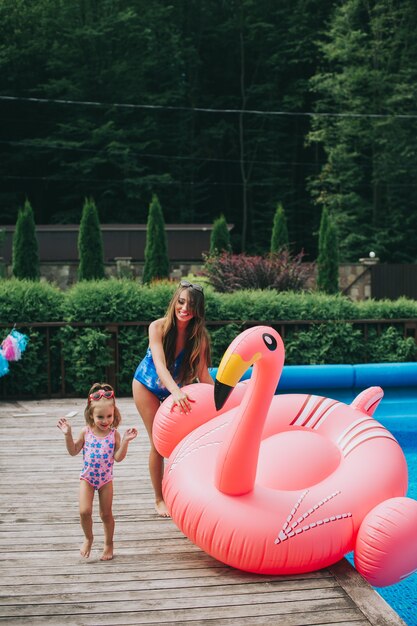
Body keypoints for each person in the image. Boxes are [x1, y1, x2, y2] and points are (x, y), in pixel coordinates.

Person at [132, 280, 214, 517]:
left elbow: (203, 376)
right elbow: (159, 365)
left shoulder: (199, 338)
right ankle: (159, 499)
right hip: (147, 385)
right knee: (158, 444)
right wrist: (176, 392)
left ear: (198, 309)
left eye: (190, 305)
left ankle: (181, 491)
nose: (184, 308)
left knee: (180, 445)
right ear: (174, 302)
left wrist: (227, 397)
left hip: (176, 391)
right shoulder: (157, 327)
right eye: (181, 302)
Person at [57, 382, 138, 560]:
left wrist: (125, 441)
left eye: (109, 416)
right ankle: (89, 537)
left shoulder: (113, 434)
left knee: (106, 514)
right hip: (87, 478)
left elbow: (117, 458)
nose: (105, 421)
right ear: (91, 415)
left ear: (114, 414)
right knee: (84, 511)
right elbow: (73, 451)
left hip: (105, 480)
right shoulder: (85, 432)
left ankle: (109, 544)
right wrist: (67, 434)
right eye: (100, 417)